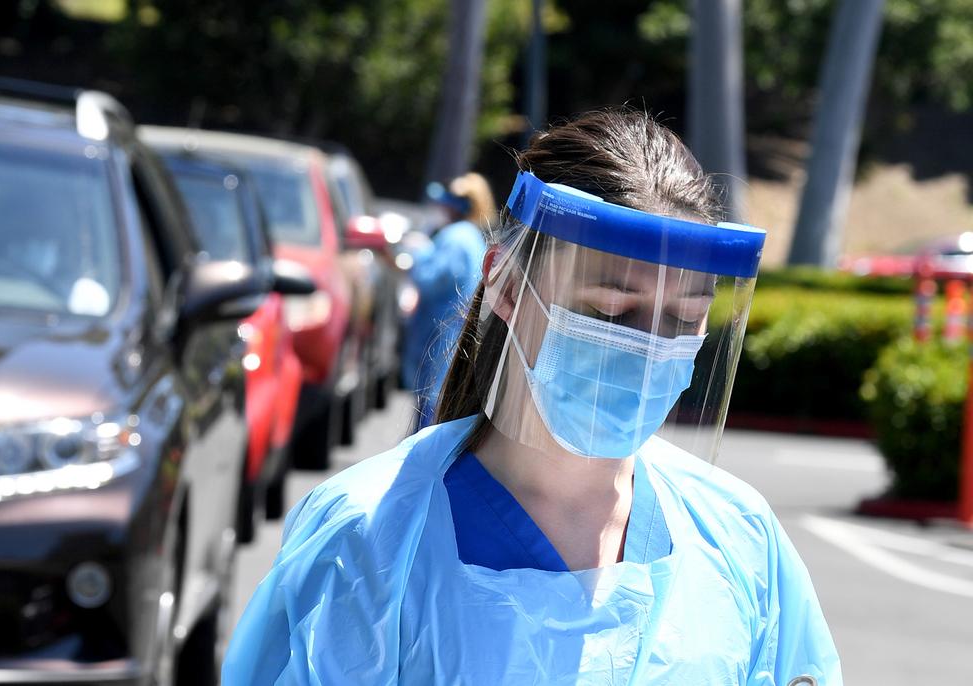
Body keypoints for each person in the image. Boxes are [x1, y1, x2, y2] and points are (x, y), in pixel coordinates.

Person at [223, 110, 842, 685]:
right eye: (611, 309)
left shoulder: (738, 538)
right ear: (507, 286)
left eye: (683, 319)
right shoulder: (370, 538)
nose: (650, 348)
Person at [401, 172, 494, 429]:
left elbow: (430, 280)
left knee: (428, 417)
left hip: (440, 339)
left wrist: (420, 253)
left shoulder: (456, 238)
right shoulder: (470, 237)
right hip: (449, 338)